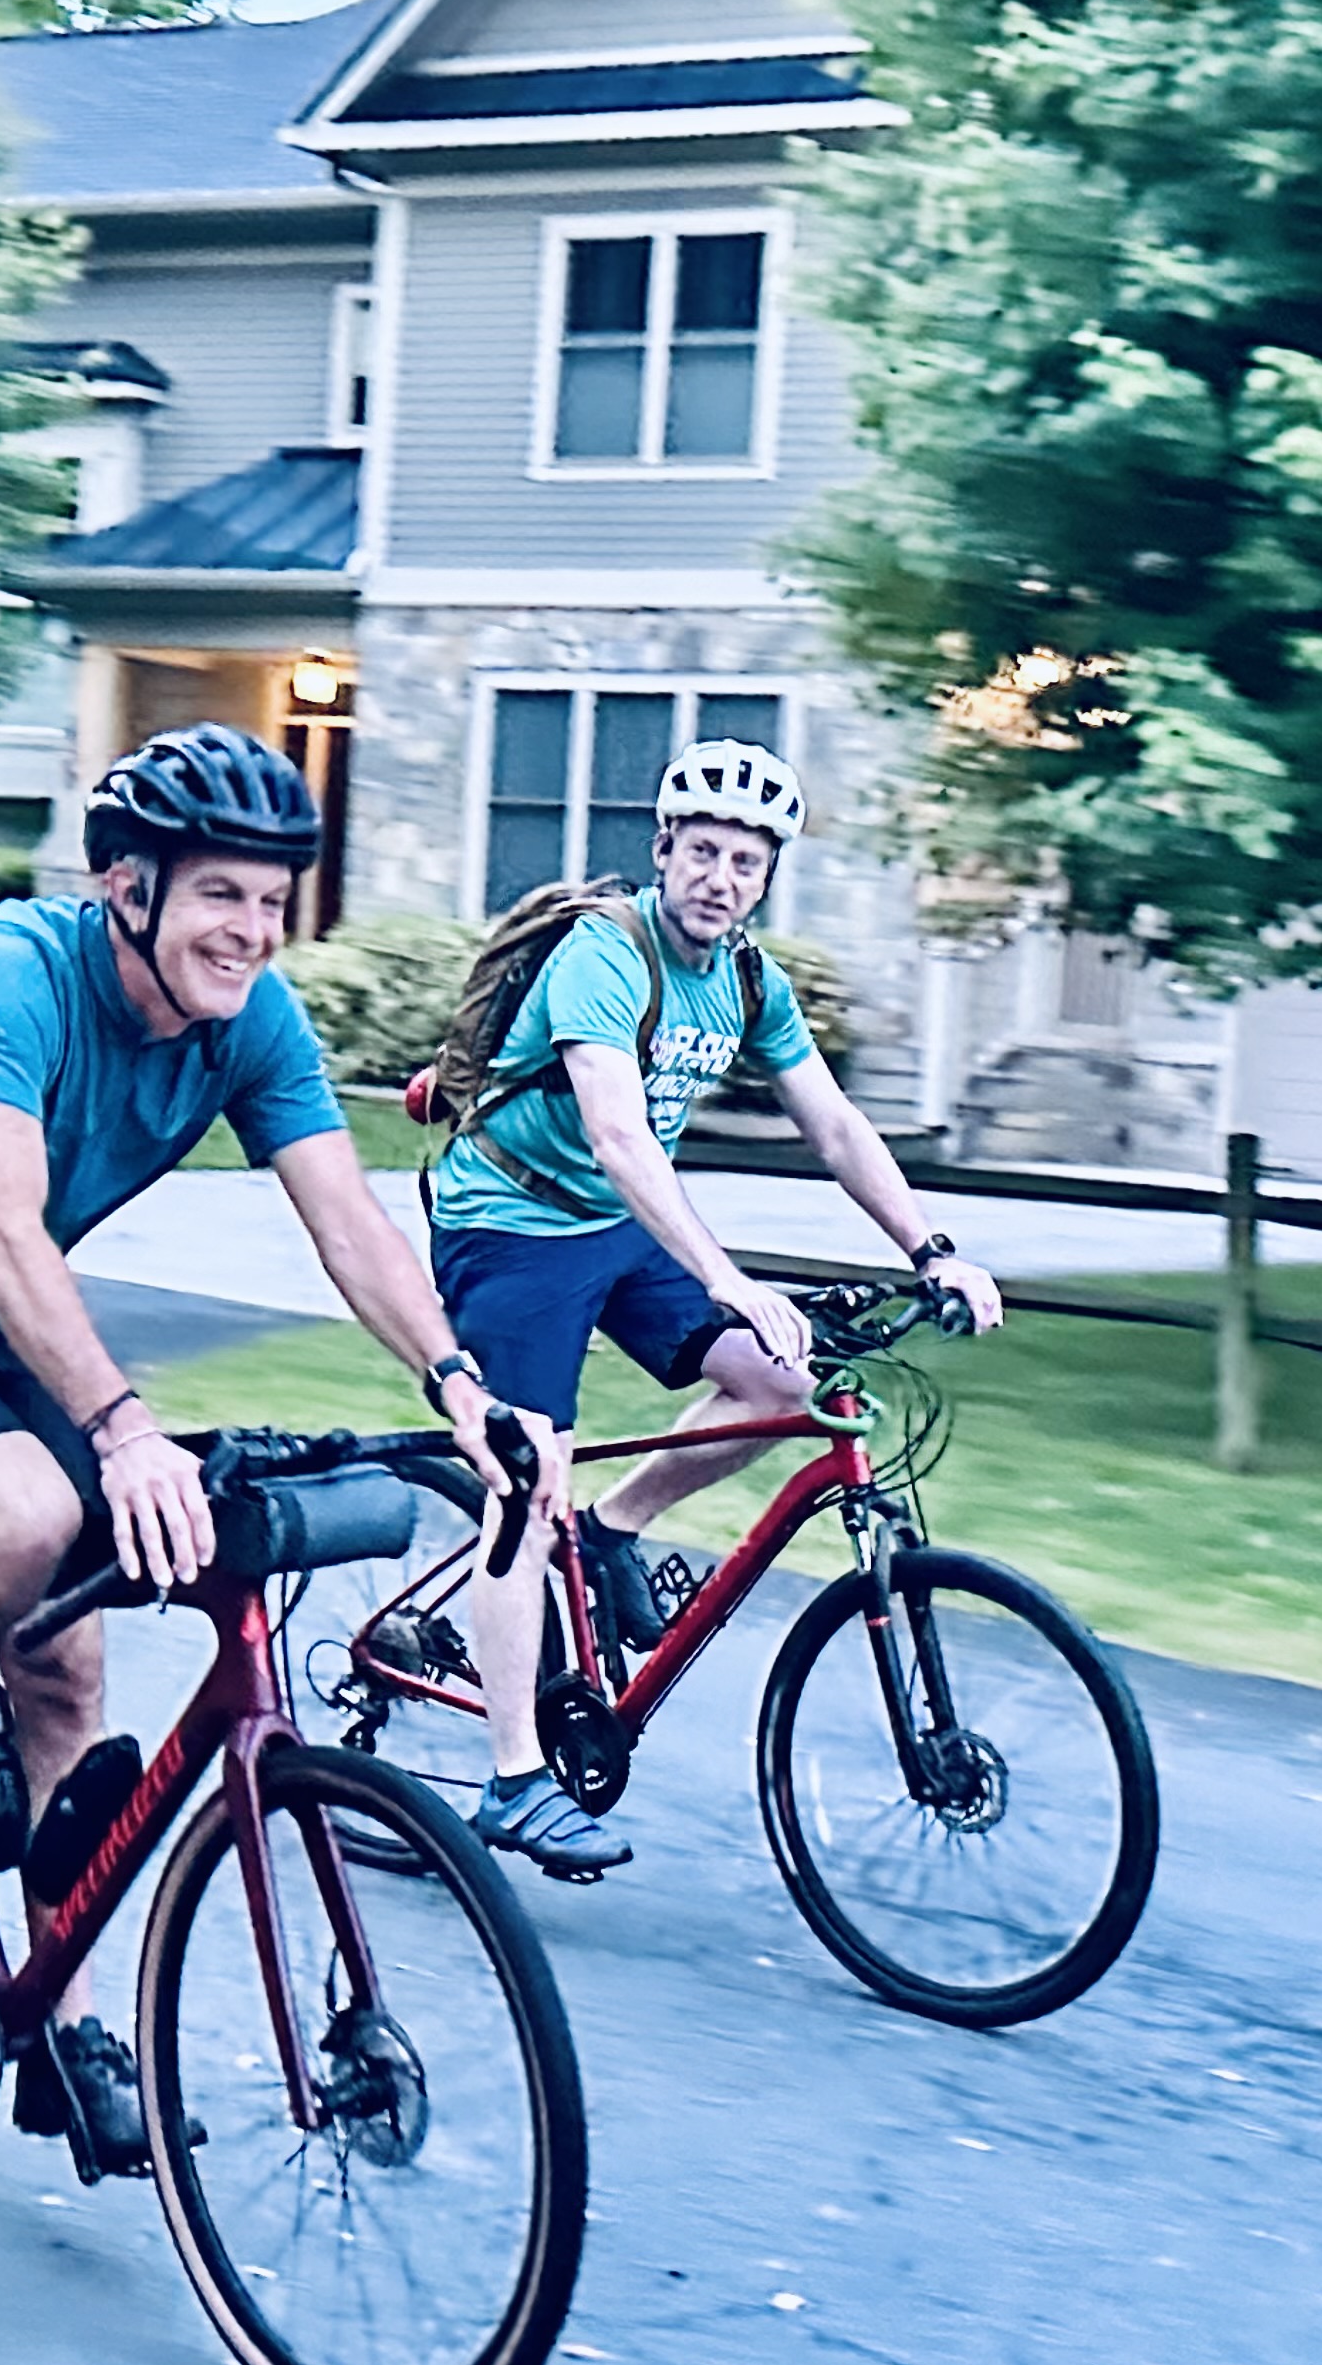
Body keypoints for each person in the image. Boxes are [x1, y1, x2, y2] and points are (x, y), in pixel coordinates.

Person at [0, 722, 561, 2178]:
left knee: (67, 1659)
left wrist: (460, 1385)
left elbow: (348, 1220)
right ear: (127, 886)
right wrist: (122, 1431)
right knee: (22, 1521)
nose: (252, 929)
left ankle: (59, 2023)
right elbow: (0, 1231)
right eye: (220, 895)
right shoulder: (10, 976)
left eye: (274, 900)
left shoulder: (251, 1019)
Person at [426, 739, 1001, 1877]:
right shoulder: (606, 952)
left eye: (746, 861)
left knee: (784, 1385)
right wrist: (728, 1277)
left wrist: (933, 1250)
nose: (721, 878)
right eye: (702, 852)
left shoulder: (747, 980)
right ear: (663, 851)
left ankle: (611, 1531)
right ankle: (512, 1778)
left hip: (619, 1226)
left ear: (766, 876)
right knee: (527, 1484)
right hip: (513, 1223)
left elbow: (834, 1126)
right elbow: (616, 1133)